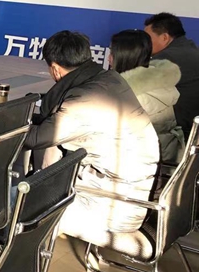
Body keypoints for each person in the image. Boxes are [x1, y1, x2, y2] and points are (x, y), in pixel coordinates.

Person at [24, 31, 159, 241]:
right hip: (130, 191)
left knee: (19, 199)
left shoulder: (84, 101)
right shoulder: (108, 78)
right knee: (39, 176)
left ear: (55, 69)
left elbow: (36, 138)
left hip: (112, 205)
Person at [110, 29, 183, 164]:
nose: (109, 59)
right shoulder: (160, 84)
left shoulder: (129, 96)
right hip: (162, 158)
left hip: (135, 164)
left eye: (112, 53)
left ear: (124, 57)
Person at [144, 12, 199, 137]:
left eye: (148, 38)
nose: (145, 43)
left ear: (164, 37)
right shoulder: (191, 49)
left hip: (179, 132)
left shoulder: (165, 59)